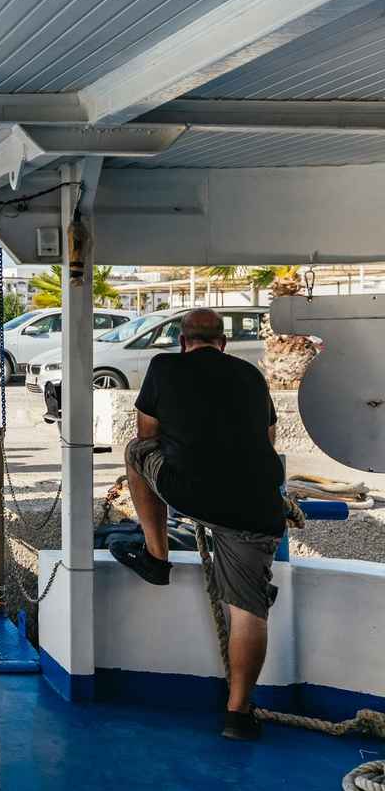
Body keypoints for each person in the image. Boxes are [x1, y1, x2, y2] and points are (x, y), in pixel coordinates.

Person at [115, 308, 288, 742]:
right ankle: (238, 715)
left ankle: (157, 556)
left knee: (135, 452)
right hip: (258, 505)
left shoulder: (163, 366)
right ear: (223, 343)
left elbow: (147, 433)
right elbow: (267, 440)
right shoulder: (250, 375)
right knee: (248, 610)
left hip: (192, 491)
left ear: (182, 341)